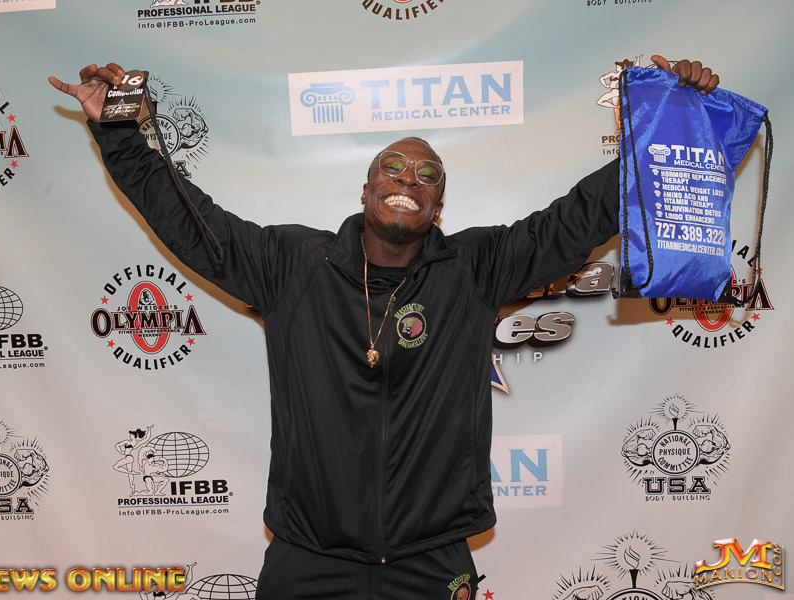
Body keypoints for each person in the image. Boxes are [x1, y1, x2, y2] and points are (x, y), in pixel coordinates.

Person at [50, 57, 719, 599]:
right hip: (308, 559)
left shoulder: (475, 268)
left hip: (431, 562)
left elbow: (578, 220)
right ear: (365, 190)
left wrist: (670, 122)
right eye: (391, 168)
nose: (409, 180)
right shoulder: (292, 265)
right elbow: (190, 222)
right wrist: (119, 132)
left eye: (427, 176)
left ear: (438, 205)